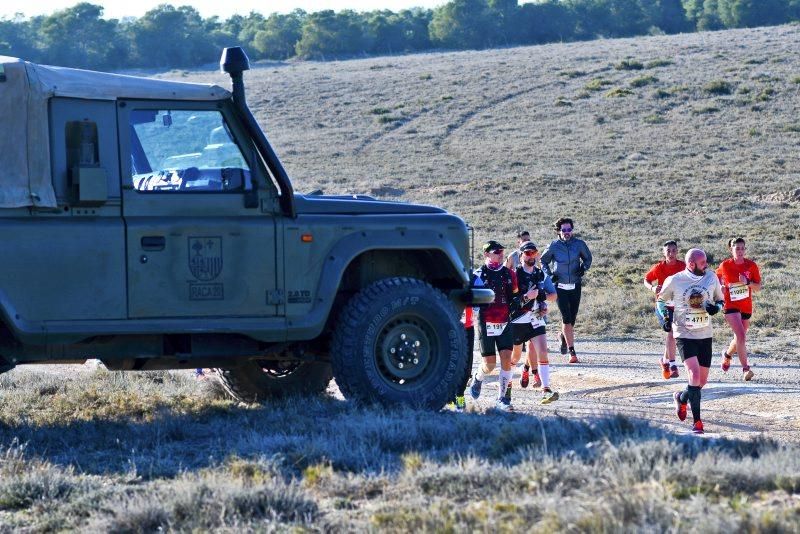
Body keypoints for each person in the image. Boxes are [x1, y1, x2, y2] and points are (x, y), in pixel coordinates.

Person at [658, 248, 724, 435]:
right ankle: (697, 422)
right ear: (691, 264)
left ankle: (681, 397)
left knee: (701, 382)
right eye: (702, 262)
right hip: (684, 334)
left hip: (705, 334)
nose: (706, 265)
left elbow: (721, 299)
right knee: (693, 375)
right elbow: (660, 300)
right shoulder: (675, 280)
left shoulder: (711, 277)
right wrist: (664, 317)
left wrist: (716, 308)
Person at [469, 240, 529, 411]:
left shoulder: (510, 274)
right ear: (486, 254)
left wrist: (521, 304)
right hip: (485, 322)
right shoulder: (478, 275)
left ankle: (503, 398)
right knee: (489, 364)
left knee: (506, 358)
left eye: (502, 252)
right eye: (496, 252)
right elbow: (472, 300)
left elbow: (515, 298)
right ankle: (478, 378)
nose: (501, 255)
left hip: (504, 321)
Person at [509, 241, 560, 404]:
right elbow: (509, 301)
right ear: (521, 255)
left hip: (536, 318)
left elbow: (554, 295)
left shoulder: (541, 275)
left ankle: (546, 390)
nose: (532, 256)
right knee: (515, 356)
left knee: (543, 351)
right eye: (528, 253)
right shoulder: (514, 275)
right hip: (518, 320)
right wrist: (526, 297)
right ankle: (507, 385)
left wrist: (542, 299)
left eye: (534, 253)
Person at [541, 217, 592, 364]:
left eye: (569, 229)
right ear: (559, 231)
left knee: (572, 318)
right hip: (560, 286)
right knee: (566, 318)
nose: (567, 232)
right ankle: (572, 352)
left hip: (575, 285)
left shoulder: (579, 244)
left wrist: (584, 268)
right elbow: (543, 261)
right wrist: (550, 275)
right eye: (564, 230)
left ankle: (563, 337)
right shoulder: (554, 246)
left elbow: (588, 259)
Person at [716, 237, 762, 381]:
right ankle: (745, 369)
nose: (740, 251)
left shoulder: (751, 265)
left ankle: (727, 355)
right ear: (731, 249)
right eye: (737, 248)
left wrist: (747, 282)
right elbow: (715, 279)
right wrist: (720, 288)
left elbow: (758, 287)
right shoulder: (725, 265)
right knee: (741, 336)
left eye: (742, 248)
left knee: (738, 338)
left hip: (746, 306)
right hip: (730, 305)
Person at [643, 240, 685, 379]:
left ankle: (665, 361)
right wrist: (653, 288)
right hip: (663, 305)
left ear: (677, 251)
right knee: (671, 331)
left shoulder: (683, 266)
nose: (671, 253)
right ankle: (673, 365)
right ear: (664, 253)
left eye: (674, 250)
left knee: (674, 334)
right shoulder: (659, 268)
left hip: (679, 305)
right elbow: (646, 280)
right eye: (668, 251)